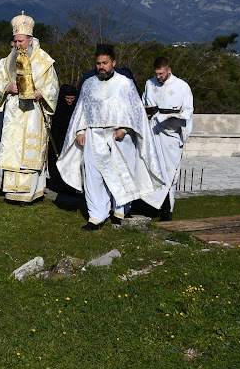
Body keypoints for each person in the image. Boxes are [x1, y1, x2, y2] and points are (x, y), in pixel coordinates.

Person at [57, 44, 165, 230]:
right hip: (93, 135)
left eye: (105, 63)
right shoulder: (89, 84)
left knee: (120, 173)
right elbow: (81, 110)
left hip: (118, 136)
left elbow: (135, 112)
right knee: (93, 176)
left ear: (113, 62)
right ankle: (96, 216)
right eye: (98, 63)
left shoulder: (125, 83)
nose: (101, 67)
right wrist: (80, 131)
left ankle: (120, 211)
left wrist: (124, 129)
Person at [0, 12, 59, 203]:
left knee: (29, 152)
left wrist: (42, 93)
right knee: (12, 150)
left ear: (30, 40)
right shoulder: (7, 60)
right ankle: (11, 191)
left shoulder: (44, 61)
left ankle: (32, 192)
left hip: (33, 113)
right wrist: (7, 87)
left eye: (21, 41)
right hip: (13, 111)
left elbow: (54, 86)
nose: (18, 45)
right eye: (15, 41)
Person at [142, 56, 194, 221]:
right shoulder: (150, 84)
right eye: (156, 74)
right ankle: (154, 206)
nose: (158, 77)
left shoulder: (182, 87)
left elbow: (187, 112)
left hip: (171, 136)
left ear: (168, 70)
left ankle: (167, 209)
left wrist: (170, 116)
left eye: (161, 74)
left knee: (170, 173)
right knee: (152, 170)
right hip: (153, 134)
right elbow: (143, 105)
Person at [47, 84, 78, 194]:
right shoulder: (57, 108)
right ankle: (56, 184)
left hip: (71, 140)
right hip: (58, 138)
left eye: (72, 98)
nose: (70, 101)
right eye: (67, 98)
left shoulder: (76, 108)